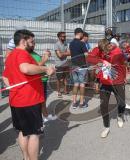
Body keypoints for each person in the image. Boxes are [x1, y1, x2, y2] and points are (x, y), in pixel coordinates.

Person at [2, 29, 55, 160]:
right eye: (32, 41)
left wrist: (13, 88)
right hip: (29, 101)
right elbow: (25, 68)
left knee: (23, 132)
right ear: (24, 41)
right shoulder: (22, 53)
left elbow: (5, 77)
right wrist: (45, 69)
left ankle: (26, 157)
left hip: (16, 100)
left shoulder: (10, 56)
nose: (33, 43)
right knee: (34, 134)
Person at [87, 39, 126, 138]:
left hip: (117, 80)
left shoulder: (117, 52)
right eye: (103, 51)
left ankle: (120, 115)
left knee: (122, 103)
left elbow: (118, 63)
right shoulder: (100, 49)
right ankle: (106, 127)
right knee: (103, 105)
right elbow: (90, 59)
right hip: (105, 82)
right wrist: (100, 60)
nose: (104, 52)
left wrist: (124, 77)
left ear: (109, 45)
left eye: (105, 50)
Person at [29, 41, 57, 123]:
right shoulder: (27, 55)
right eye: (31, 43)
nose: (33, 44)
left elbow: (39, 62)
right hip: (38, 81)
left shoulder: (33, 53)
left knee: (42, 100)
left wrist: (45, 56)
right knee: (39, 101)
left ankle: (45, 116)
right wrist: (45, 58)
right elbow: (36, 66)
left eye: (34, 43)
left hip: (43, 80)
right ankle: (40, 119)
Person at [69, 28, 88, 109]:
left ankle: (73, 102)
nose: (83, 36)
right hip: (82, 66)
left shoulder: (71, 43)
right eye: (82, 34)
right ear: (79, 33)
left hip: (73, 65)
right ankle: (81, 102)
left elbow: (71, 53)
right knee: (82, 84)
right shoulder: (82, 43)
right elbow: (86, 54)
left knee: (76, 84)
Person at [54, 31, 71, 97]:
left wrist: (62, 53)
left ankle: (65, 90)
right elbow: (59, 56)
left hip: (65, 64)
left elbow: (70, 53)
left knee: (65, 78)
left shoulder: (66, 44)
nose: (64, 37)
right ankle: (59, 91)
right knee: (59, 79)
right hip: (59, 65)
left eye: (65, 36)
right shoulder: (57, 44)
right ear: (59, 37)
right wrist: (65, 53)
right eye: (63, 36)